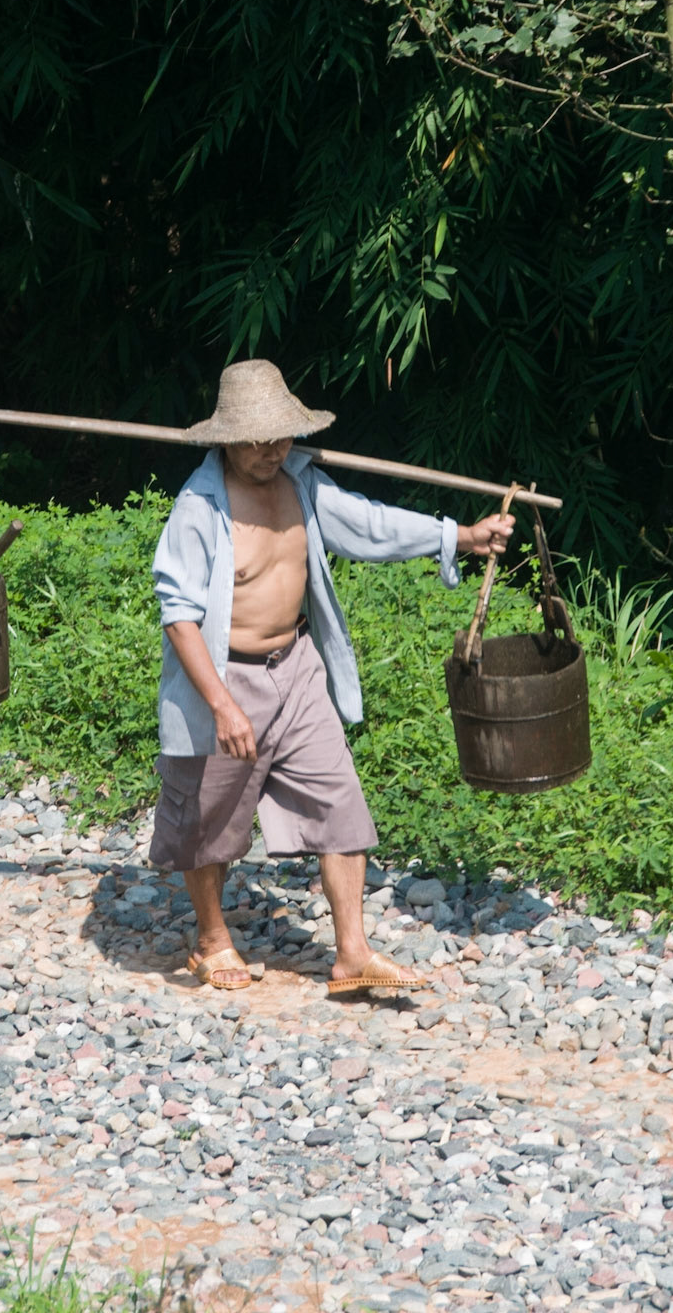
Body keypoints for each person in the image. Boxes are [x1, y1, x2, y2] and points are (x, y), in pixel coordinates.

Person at [149, 359, 514, 994]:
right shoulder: (198, 508)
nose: (272, 448)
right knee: (208, 815)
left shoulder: (302, 485)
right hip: (225, 679)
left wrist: (460, 536)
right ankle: (212, 940)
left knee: (340, 802)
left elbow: (371, 524)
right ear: (228, 439)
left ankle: (350, 953)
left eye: (281, 434)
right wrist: (222, 706)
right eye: (258, 438)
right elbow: (180, 617)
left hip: (297, 668)